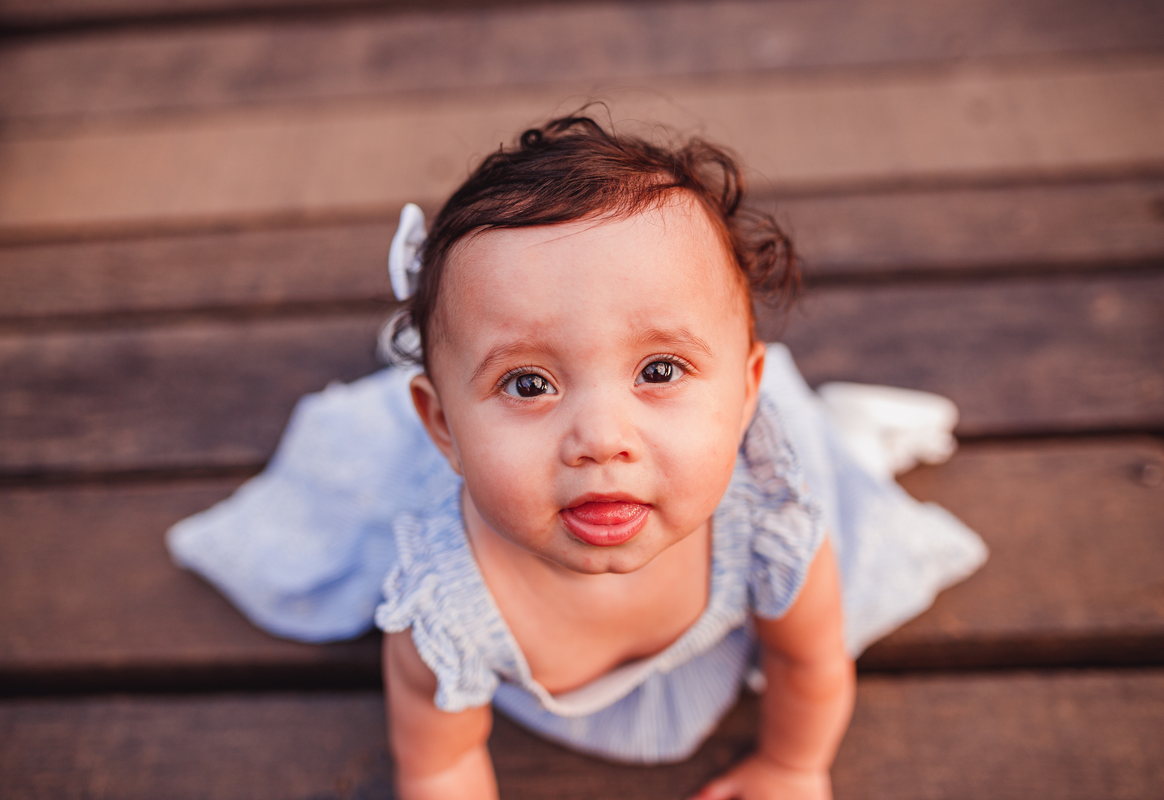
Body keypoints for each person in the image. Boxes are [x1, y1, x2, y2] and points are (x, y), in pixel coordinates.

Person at [168, 114, 987, 800]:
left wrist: (791, 764)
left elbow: (808, 660)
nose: (600, 439)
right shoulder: (447, 609)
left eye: (658, 371)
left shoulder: (769, 524)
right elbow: (443, 758)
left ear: (746, 397)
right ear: (444, 427)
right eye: (528, 383)